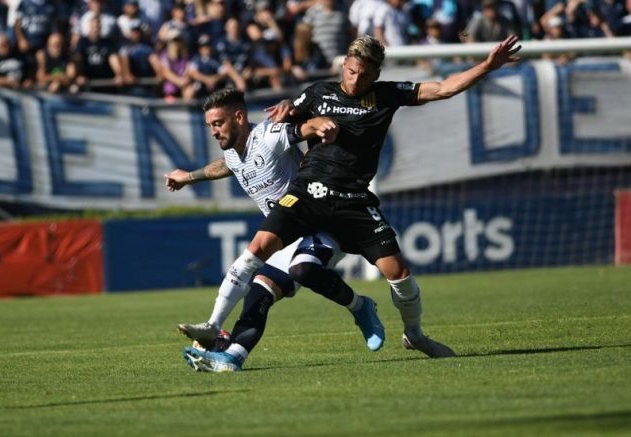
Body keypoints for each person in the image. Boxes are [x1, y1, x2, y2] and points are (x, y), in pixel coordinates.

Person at [178, 34, 522, 367]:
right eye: (351, 71)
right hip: (308, 193)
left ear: (377, 74)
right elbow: (296, 118)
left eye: (365, 75)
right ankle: (224, 344)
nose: (356, 80)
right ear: (344, 65)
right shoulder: (317, 92)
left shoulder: (386, 95)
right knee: (260, 252)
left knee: (397, 273)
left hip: (354, 199)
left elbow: (443, 88)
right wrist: (299, 113)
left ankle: (412, 333)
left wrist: (487, 66)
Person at [168, 88, 383, 372]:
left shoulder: (269, 135)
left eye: (217, 123)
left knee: (302, 270)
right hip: (286, 236)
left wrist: (320, 123)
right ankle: (232, 358)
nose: (213, 132)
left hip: (322, 226)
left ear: (239, 117)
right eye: (209, 126)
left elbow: (303, 128)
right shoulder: (233, 152)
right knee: (258, 293)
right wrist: (188, 177)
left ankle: (360, 306)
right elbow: (224, 166)